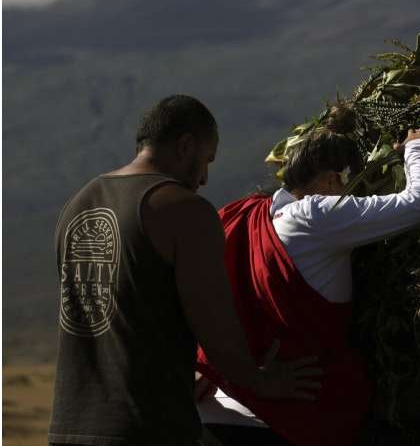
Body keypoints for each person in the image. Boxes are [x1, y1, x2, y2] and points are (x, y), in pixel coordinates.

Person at [49, 95, 322, 446]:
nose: (205, 178)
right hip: (146, 429)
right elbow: (213, 322)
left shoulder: (79, 202)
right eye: (206, 160)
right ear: (186, 145)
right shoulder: (183, 210)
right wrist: (262, 380)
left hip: (68, 426)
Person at [196, 112, 420, 446]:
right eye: (348, 184)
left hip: (216, 409)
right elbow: (419, 203)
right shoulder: (318, 213)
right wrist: (417, 149)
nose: (351, 197)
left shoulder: (249, 213)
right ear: (329, 180)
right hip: (284, 418)